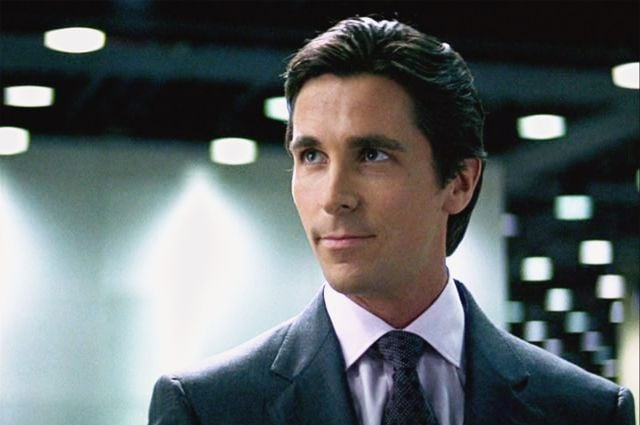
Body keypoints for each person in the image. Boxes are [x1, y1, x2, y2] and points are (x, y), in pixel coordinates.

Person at [148, 16, 635, 425]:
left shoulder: (586, 411)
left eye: (372, 155)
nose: (334, 198)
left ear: (459, 182)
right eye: (312, 156)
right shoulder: (207, 408)